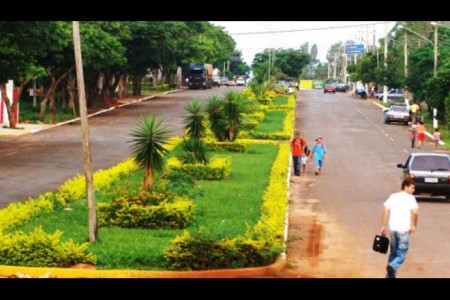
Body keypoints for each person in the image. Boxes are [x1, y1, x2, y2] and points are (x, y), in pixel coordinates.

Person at [380, 179, 419, 279]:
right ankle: (391, 267)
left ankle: (388, 276)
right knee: (401, 255)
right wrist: (414, 225)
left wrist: (383, 226)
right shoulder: (410, 198)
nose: (413, 190)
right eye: (412, 187)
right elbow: (415, 213)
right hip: (403, 231)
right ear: (405, 187)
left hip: (393, 230)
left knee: (393, 255)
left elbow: (385, 210)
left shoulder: (393, 196)